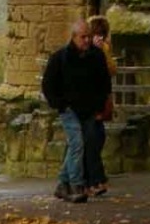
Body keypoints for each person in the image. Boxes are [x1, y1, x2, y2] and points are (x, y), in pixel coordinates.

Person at [39, 19, 110, 203]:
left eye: (89, 36)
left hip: (89, 109)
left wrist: (100, 106)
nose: (87, 40)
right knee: (77, 143)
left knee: (79, 144)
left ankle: (63, 184)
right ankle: (77, 184)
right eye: (83, 37)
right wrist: (60, 104)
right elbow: (48, 85)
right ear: (74, 37)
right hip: (68, 108)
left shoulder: (97, 56)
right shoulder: (60, 58)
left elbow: (104, 83)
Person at [81, 16, 115, 193]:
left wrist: (104, 52)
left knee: (97, 139)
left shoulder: (102, 51)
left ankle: (93, 180)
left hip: (99, 102)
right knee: (91, 141)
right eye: (97, 34)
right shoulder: (84, 52)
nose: (100, 38)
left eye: (103, 34)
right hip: (87, 104)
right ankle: (93, 181)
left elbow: (111, 71)